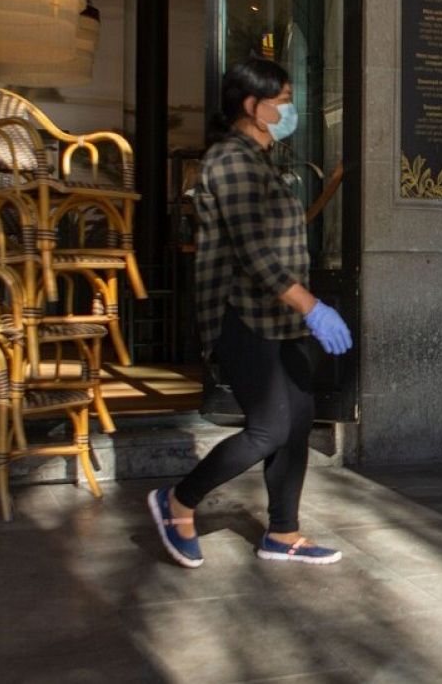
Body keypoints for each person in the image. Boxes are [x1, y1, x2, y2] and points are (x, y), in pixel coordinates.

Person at [149, 58, 353, 568]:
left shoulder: (264, 160)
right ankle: (178, 500)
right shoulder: (230, 160)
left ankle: (283, 533)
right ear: (251, 106)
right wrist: (313, 306)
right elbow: (253, 253)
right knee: (268, 429)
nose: (291, 109)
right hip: (239, 314)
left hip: (279, 317)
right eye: (282, 99)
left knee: (299, 420)